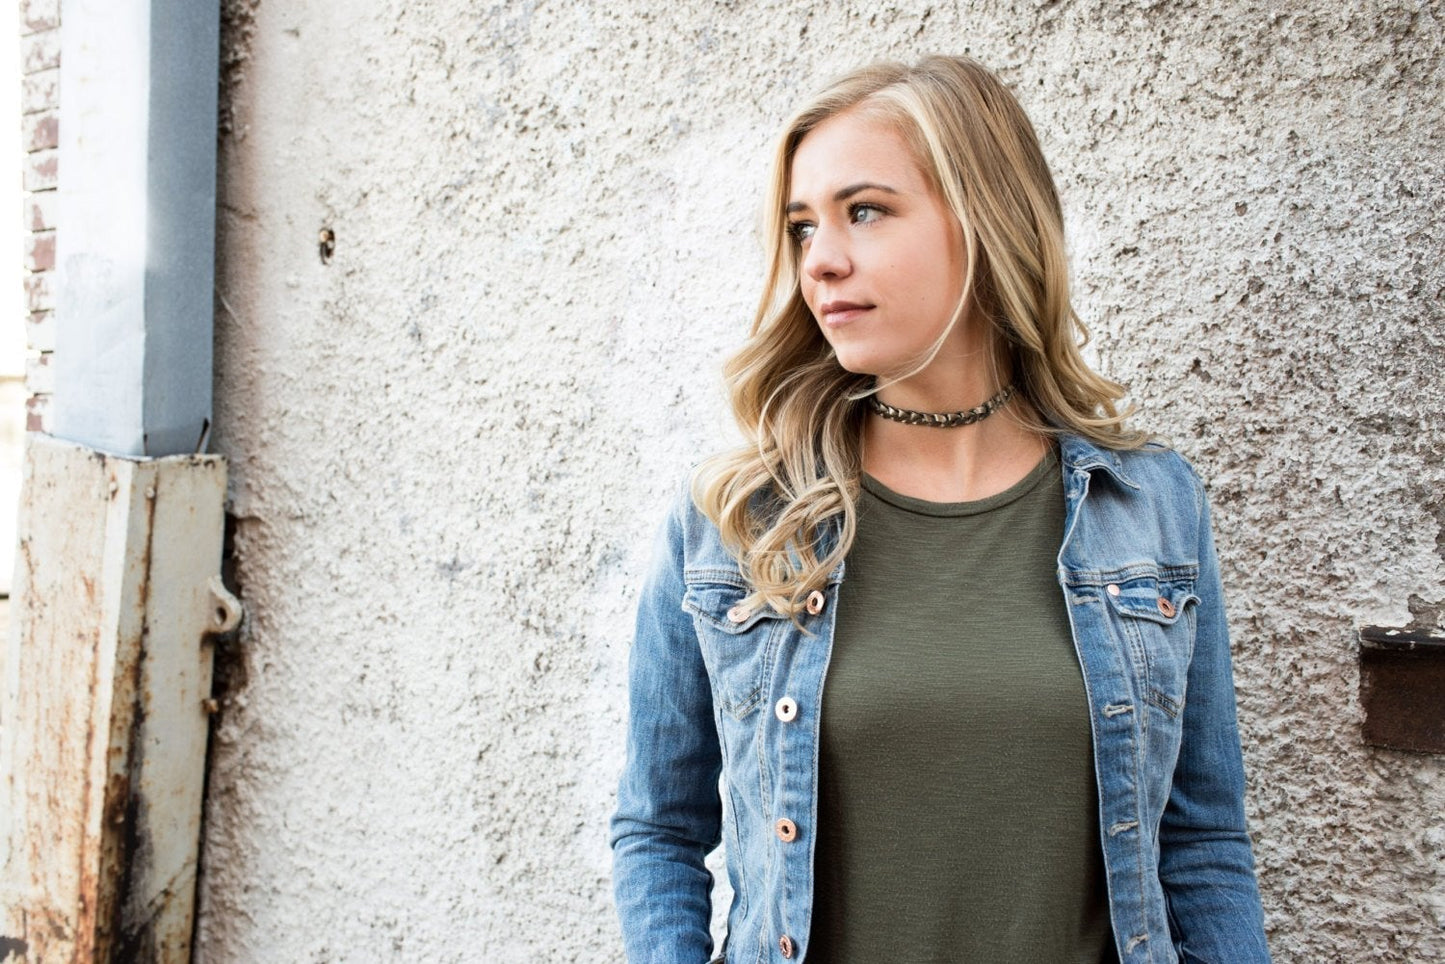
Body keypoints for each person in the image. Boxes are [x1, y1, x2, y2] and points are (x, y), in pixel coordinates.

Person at [610, 54, 1270, 964]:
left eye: (865, 211)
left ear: (985, 219)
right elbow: (656, 832)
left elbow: (1201, 846)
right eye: (803, 227)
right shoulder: (735, 521)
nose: (821, 261)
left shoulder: (1147, 507)